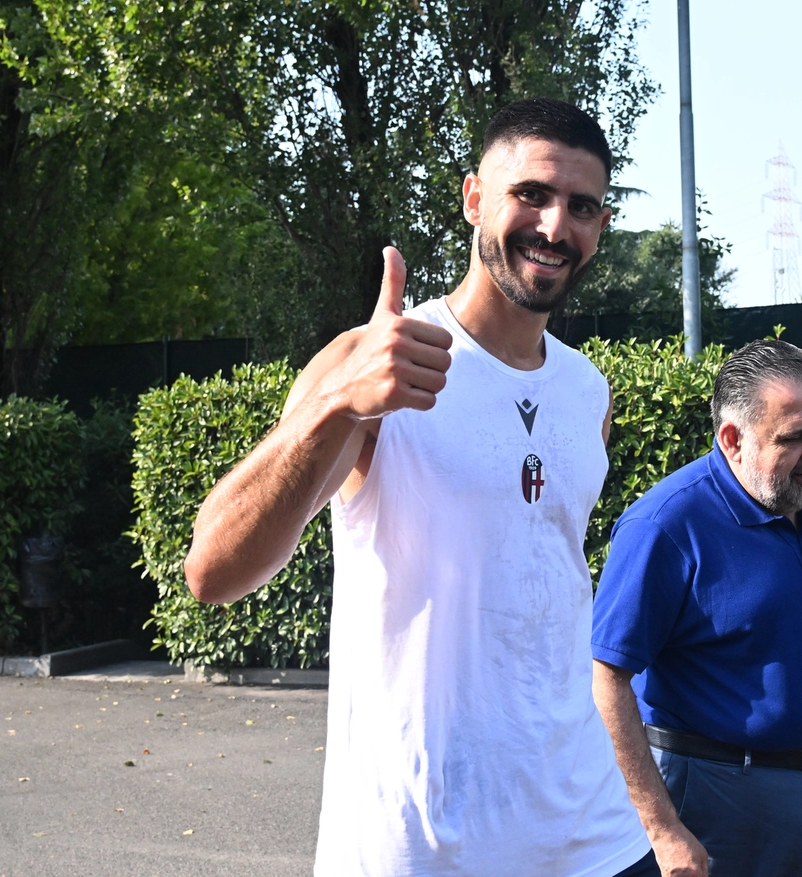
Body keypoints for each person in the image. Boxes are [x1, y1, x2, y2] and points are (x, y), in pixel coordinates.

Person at [184, 98, 657, 877]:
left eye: (581, 206)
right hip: (426, 849)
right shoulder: (371, 360)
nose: (554, 226)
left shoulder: (588, 392)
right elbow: (213, 570)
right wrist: (340, 402)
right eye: (530, 194)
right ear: (474, 198)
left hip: (593, 839)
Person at [591, 340, 802, 877]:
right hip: (723, 808)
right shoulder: (664, 526)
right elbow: (607, 681)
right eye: (796, 437)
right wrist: (662, 829)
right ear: (733, 439)